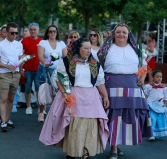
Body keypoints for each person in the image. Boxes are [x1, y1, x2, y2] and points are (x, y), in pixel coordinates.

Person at [39, 38, 109, 159]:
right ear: (78, 49)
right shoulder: (66, 61)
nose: (88, 51)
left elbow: (99, 82)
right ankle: (71, 152)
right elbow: (59, 78)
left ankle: (86, 152)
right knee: (75, 126)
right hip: (74, 96)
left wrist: (105, 96)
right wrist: (65, 94)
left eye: (89, 48)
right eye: (85, 48)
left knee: (90, 125)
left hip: (91, 98)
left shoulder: (94, 64)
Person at [97, 23, 152, 159]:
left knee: (126, 118)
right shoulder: (106, 49)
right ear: (113, 34)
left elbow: (144, 65)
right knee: (114, 116)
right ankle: (113, 149)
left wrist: (142, 76)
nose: (121, 35)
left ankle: (118, 143)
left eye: (124, 32)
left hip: (132, 87)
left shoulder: (136, 49)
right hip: (112, 86)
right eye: (118, 32)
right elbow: (98, 66)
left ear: (129, 35)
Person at [37, 24, 67, 122]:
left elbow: (65, 56)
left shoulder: (61, 43)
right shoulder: (43, 42)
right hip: (45, 69)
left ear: (57, 32)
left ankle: (54, 113)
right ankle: (41, 111)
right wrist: (45, 63)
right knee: (44, 90)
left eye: (54, 31)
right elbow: (40, 56)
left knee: (57, 92)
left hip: (57, 70)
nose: (52, 33)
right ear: (47, 33)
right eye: (50, 31)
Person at [0, 22, 23, 132]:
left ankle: (7, 119)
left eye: (16, 33)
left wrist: (21, 70)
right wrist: (7, 65)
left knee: (11, 99)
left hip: (16, 74)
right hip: (4, 74)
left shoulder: (19, 44)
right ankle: (3, 122)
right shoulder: (0, 45)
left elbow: (20, 59)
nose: (14, 35)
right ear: (6, 33)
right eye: (12, 33)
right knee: (4, 99)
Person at [21, 22, 42, 115]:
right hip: (27, 69)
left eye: (34, 29)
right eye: (31, 29)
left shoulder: (42, 41)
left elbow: (45, 55)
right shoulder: (24, 41)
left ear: (38, 31)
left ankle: (40, 107)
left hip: (39, 69)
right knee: (27, 88)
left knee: (39, 89)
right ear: (29, 30)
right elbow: (21, 55)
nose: (33, 31)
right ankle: (28, 106)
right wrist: (21, 68)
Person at [144, 70, 167, 141]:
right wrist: (145, 103)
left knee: (160, 119)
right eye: (157, 77)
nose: (159, 78)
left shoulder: (164, 88)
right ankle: (151, 134)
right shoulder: (149, 87)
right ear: (153, 78)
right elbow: (145, 95)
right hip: (151, 105)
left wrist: (165, 104)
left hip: (160, 106)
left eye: (160, 77)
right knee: (152, 119)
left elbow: (165, 97)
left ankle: (159, 133)